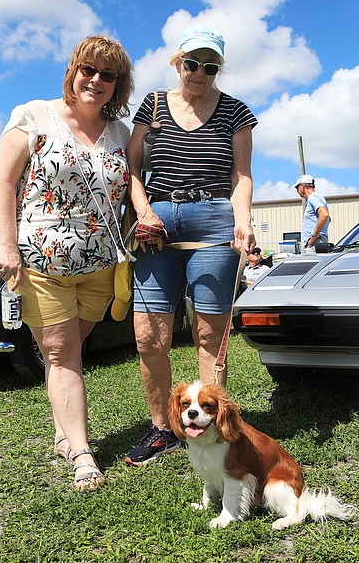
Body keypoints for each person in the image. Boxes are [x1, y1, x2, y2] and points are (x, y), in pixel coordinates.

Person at [0, 35, 133, 491]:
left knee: (73, 347)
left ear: (118, 84)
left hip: (100, 266)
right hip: (40, 263)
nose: (96, 81)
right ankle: (82, 452)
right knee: (61, 353)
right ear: (73, 70)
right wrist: (7, 247)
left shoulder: (121, 133)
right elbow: (3, 184)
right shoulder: (34, 116)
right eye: (88, 70)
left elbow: (133, 190)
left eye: (107, 75)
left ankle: (63, 430)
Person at [124, 26, 257, 466]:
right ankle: (164, 428)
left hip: (214, 220)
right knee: (149, 337)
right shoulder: (154, 105)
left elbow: (241, 176)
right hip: (156, 221)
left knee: (208, 333)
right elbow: (133, 169)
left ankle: (212, 432)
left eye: (210, 66)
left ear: (218, 69)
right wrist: (143, 212)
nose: (200, 73)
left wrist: (243, 220)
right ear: (178, 62)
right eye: (192, 63)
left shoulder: (235, 112)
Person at [294, 174, 330, 251]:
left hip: (315, 244)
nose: (297, 191)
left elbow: (324, 215)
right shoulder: (319, 197)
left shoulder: (313, 198)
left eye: (297, 188)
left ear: (302, 187)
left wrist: (314, 237)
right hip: (319, 242)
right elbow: (328, 219)